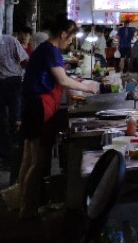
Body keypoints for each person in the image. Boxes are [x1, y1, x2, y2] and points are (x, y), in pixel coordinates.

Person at [18, 17, 98, 219]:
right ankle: (27, 210)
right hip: (39, 107)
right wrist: (87, 87)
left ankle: (23, 203)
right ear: (63, 34)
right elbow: (62, 79)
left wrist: (75, 82)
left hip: (32, 105)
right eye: (70, 38)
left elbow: (60, 77)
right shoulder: (51, 50)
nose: (70, 42)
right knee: (39, 161)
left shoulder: (46, 49)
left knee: (29, 157)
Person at [0, 33, 29, 164]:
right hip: (12, 81)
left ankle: (8, 154)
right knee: (15, 118)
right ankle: (17, 152)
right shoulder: (10, 40)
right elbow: (25, 61)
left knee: (2, 120)